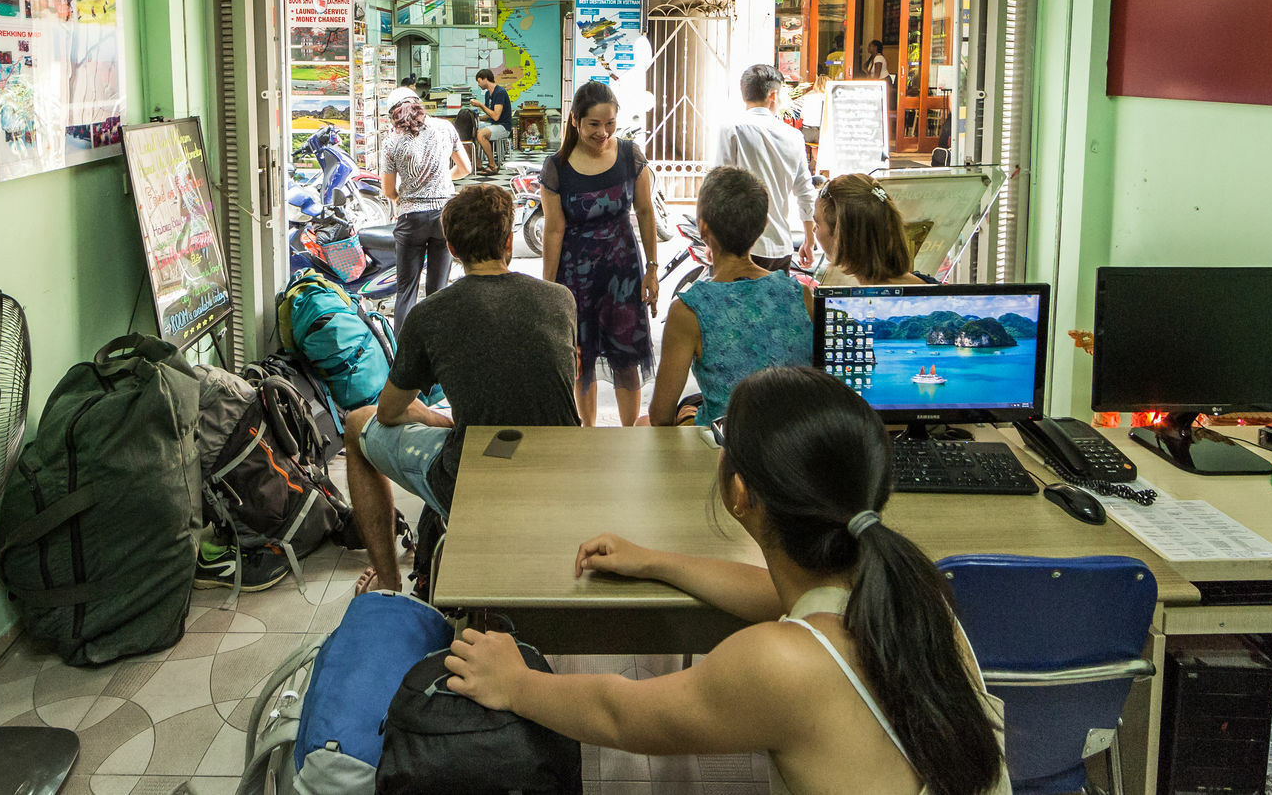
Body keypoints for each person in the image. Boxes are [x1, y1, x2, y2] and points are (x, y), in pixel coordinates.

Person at [442, 365, 1011, 795]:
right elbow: (774, 595)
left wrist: (516, 683)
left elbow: (622, 713)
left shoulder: (781, 664)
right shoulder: (902, 588)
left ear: (741, 494)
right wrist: (657, 562)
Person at [342, 186, 580, 592]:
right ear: (508, 242)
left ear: (450, 248)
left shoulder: (429, 314)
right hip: (563, 472)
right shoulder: (560, 299)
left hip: (477, 479)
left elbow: (388, 413)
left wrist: (439, 420)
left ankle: (387, 583)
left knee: (356, 423)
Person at [649, 167, 812, 428]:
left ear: (702, 229)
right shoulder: (801, 295)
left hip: (729, 451)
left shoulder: (688, 311)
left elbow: (659, 417)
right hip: (794, 444)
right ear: (763, 227)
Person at [540, 79, 660, 427]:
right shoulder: (557, 167)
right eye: (594, 124)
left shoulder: (629, 155)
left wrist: (652, 268)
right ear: (575, 121)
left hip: (623, 272)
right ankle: (587, 434)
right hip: (575, 276)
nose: (603, 133)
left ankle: (629, 435)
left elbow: (646, 212)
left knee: (626, 359)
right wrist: (548, 289)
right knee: (582, 360)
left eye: (610, 124)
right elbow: (553, 230)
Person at [706, 64, 818, 272]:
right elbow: (805, 192)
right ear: (773, 95)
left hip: (740, 249)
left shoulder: (732, 129)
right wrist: (809, 239)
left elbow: (717, 187)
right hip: (780, 248)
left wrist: (712, 239)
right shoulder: (793, 136)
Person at [380, 85, 471, 325]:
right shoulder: (445, 128)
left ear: (394, 114)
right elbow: (465, 169)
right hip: (444, 217)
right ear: (419, 106)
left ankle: (404, 354)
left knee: (406, 292)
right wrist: (442, 178)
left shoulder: (391, 141)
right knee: (438, 293)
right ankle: (437, 350)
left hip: (411, 220)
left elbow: (388, 190)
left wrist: (401, 197)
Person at [813, 173, 926, 287]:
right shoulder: (924, 289)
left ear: (844, 237)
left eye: (817, 224)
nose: (813, 230)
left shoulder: (864, 301)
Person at [472, 67, 514, 173]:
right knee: (471, 129)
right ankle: (478, 162)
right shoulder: (487, 94)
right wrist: (475, 117)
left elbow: (495, 116)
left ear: (485, 79)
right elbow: (488, 115)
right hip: (494, 124)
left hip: (503, 126)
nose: (478, 84)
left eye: (479, 81)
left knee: (481, 134)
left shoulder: (499, 92)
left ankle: (492, 165)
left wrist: (480, 105)